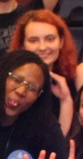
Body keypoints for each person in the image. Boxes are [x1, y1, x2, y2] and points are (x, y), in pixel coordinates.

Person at [8, 8, 77, 137]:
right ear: (22, 45)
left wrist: (66, 101)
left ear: (61, 41)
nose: (42, 47)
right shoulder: (10, 83)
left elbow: (61, 140)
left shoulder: (73, 82)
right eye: (33, 40)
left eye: (50, 39)